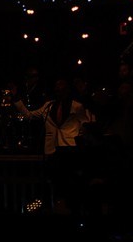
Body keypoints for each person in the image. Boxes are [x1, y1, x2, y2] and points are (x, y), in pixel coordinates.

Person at [11, 77, 94, 214]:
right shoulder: (48, 106)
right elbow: (29, 115)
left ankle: (70, 207)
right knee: (54, 181)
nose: (58, 90)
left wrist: (81, 139)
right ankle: (55, 205)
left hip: (69, 149)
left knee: (68, 181)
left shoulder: (76, 106)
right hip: (52, 150)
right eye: (57, 88)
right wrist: (16, 99)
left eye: (62, 88)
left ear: (67, 90)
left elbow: (85, 124)